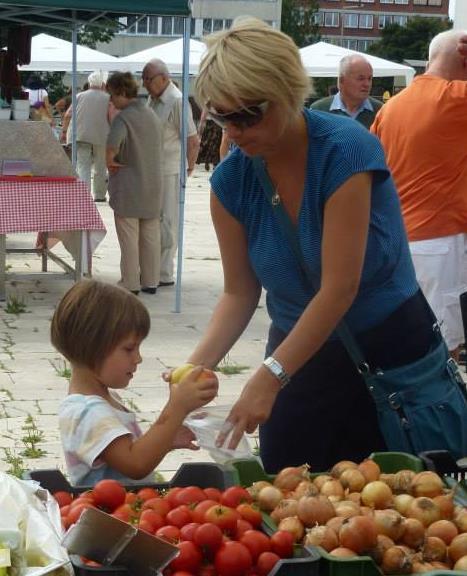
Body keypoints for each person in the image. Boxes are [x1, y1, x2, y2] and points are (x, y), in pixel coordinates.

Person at [184, 17, 445, 474]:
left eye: (247, 113)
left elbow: (339, 288)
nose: (233, 130)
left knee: (402, 512)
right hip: (300, 359)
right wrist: (193, 369)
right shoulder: (230, 181)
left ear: (286, 91)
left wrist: (270, 375)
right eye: (221, 115)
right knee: (289, 503)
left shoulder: (345, 149)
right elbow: (239, 292)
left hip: (389, 359)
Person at [51, 279, 218, 486]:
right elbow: (135, 464)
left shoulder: (103, 400)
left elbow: (126, 451)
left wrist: (167, 439)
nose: (138, 358)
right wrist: (176, 408)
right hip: (109, 516)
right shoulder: (87, 412)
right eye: (129, 349)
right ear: (92, 346)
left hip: (129, 509)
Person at [371, 30, 467, 361]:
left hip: (394, 237)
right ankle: (439, 411)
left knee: (404, 335)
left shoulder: (391, 107)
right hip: (438, 238)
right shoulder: (455, 98)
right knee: (442, 344)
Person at [142, 58, 200, 287]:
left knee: (168, 221)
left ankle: (164, 272)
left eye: (149, 79)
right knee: (151, 220)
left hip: (169, 169)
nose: (144, 84)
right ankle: (150, 268)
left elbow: (192, 139)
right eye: (143, 78)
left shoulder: (176, 101)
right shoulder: (152, 99)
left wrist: (189, 166)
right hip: (151, 170)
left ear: (164, 78)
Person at [106, 72, 163, 295]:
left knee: (129, 237)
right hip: (153, 183)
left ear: (121, 92)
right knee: (151, 236)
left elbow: (112, 146)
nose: (110, 100)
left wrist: (109, 161)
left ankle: (130, 283)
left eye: (112, 95)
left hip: (130, 185)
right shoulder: (151, 114)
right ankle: (151, 281)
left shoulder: (123, 118)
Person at [61, 71, 110, 202]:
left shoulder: (79, 96)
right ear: (103, 84)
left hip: (81, 135)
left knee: (83, 165)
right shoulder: (108, 98)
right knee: (100, 166)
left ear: (89, 83)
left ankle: (84, 196)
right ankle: (99, 195)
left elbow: (67, 115)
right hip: (102, 136)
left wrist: (64, 131)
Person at [310, 55, 382, 129]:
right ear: (341, 80)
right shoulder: (319, 110)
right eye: (361, 78)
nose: (367, 84)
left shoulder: (380, 111)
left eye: (370, 78)